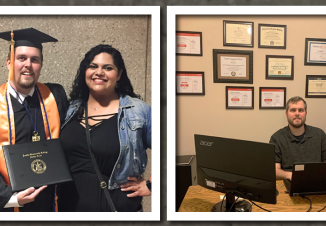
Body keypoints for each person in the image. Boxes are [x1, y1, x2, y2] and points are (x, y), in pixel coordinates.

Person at [57, 44, 151, 212]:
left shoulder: (137, 111)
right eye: (93, 66)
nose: (99, 72)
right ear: (85, 71)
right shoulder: (69, 109)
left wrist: (152, 185)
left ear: (119, 74)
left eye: (107, 68)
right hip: (68, 210)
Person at [0, 28, 68, 211]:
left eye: (34, 60)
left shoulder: (55, 96)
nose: (28, 64)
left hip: (51, 203)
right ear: (8, 63)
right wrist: (9, 198)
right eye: (21, 58)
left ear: (41, 65)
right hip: (10, 205)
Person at [269, 96, 326, 181]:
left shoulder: (320, 135)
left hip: (316, 181)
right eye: (293, 110)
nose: (297, 113)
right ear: (286, 114)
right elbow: (274, 170)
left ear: (305, 113)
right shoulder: (277, 138)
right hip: (289, 182)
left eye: (301, 110)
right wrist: (289, 175)